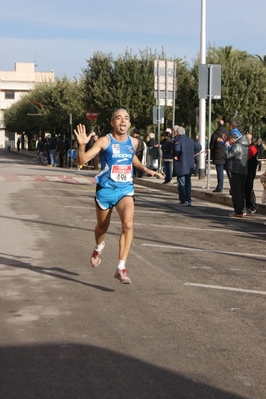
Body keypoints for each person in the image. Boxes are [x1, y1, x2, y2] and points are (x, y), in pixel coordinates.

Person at [74, 108, 164, 284]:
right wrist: (82, 145)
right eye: (118, 118)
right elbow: (82, 161)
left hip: (125, 190)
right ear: (112, 123)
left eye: (126, 118)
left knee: (128, 224)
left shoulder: (135, 142)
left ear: (129, 123)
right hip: (105, 190)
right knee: (102, 227)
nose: (123, 121)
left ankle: (120, 267)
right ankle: (98, 247)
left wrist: (145, 169)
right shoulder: (104, 141)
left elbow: (131, 157)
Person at [173, 126, 201, 206]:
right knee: (188, 183)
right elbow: (199, 147)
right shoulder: (190, 140)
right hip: (189, 165)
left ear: (177, 133)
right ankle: (188, 200)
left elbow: (177, 149)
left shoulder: (179, 140)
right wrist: (193, 153)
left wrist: (176, 155)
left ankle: (183, 200)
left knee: (181, 183)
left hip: (181, 164)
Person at [224, 132, 249, 217]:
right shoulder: (245, 145)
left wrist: (226, 147)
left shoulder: (236, 145)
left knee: (236, 191)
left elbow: (227, 156)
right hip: (244, 171)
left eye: (229, 141)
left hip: (236, 171)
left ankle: (238, 211)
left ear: (232, 139)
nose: (229, 143)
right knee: (242, 191)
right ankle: (243, 209)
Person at [210, 120, 231, 192]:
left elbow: (211, 145)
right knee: (229, 172)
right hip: (227, 156)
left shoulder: (215, 134)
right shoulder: (228, 133)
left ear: (217, 125)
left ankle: (219, 187)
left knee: (220, 172)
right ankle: (232, 187)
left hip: (218, 156)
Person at [245, 134, 258, 214]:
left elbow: (251, 161)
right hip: (247, 170)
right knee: (246, 189)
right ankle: (248, 205)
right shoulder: (248, 148)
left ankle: (252, 206)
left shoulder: (252, 149)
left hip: (250, 171)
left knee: (249, 188)